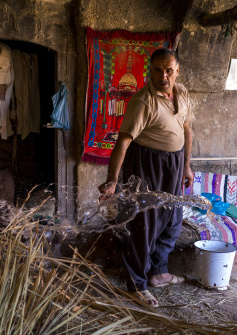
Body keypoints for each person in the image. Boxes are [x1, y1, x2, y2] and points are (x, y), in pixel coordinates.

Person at [98, 48, 194, 307]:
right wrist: (112, 180)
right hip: (146, 164)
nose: (163, 75)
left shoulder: (181, 94)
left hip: (173, 165)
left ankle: (158, 273)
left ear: (177, 71)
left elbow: (186, 130)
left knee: (172, 219)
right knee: (143, 225)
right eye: (157, 70)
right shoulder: (143, 101)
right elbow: (123, 142)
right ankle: (136, 285)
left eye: (169, 70)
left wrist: (186, 166)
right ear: (149, 71)